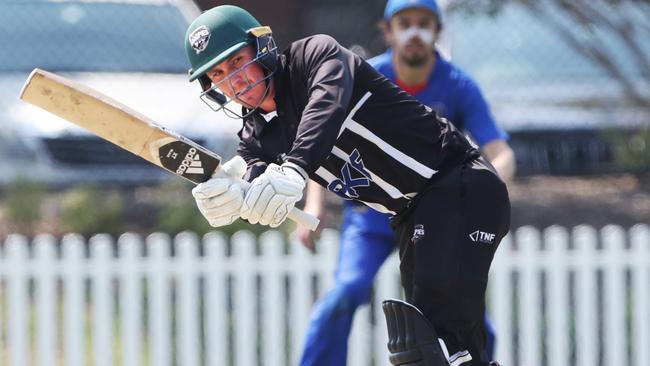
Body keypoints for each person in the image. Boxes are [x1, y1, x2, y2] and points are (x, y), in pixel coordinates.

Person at [185, 5, 509, 366]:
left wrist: (294, 168)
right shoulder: (257, 135)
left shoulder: (314, 56)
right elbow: (257, 183)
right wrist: (234, 199)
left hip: (459, 183)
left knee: (437, 342)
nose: (235, 81)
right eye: (218, 73)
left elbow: (326, 106)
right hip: (410, 212)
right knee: (429, 346)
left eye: (237, 62)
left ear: (261, 47)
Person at [296, 0, 516, 364]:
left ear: (437, 31)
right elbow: (322, 139)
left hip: (437, 217)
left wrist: (488, 185)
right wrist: (314, 204)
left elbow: (500, 152)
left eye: (424, 23)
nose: (414, 32)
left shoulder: (458, 85)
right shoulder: (363, 76)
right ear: (388, 31)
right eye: (404, 23)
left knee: (464, 309)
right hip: (371, 215)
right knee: (344, 294)